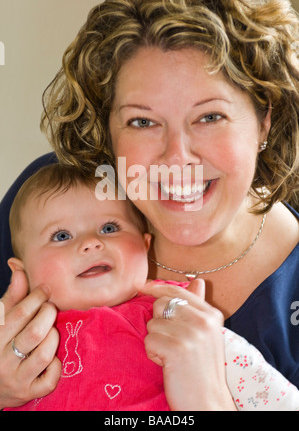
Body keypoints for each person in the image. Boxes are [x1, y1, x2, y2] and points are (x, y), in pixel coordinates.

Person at [0, 0, 298, 410]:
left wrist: (207, 396)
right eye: (142, 121)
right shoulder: (54, 199)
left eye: (209, 116)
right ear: (108, 131)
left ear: (264, 120)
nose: (177, 157)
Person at [3, 163, 299, 411]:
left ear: (145, 246)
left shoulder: (177, 318)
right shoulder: (13, 334)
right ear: (22, 271)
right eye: (61, 235)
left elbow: (275, 399)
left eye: (109, 228)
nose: (91, 243)